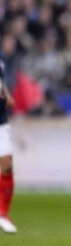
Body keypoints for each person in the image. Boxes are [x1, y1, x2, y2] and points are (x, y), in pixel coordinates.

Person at [0, 53, 16, 234]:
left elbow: (2, 81)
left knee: (6, 164)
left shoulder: (1, 60)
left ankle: (3, 213)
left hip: (1, 120)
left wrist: (7, 94)